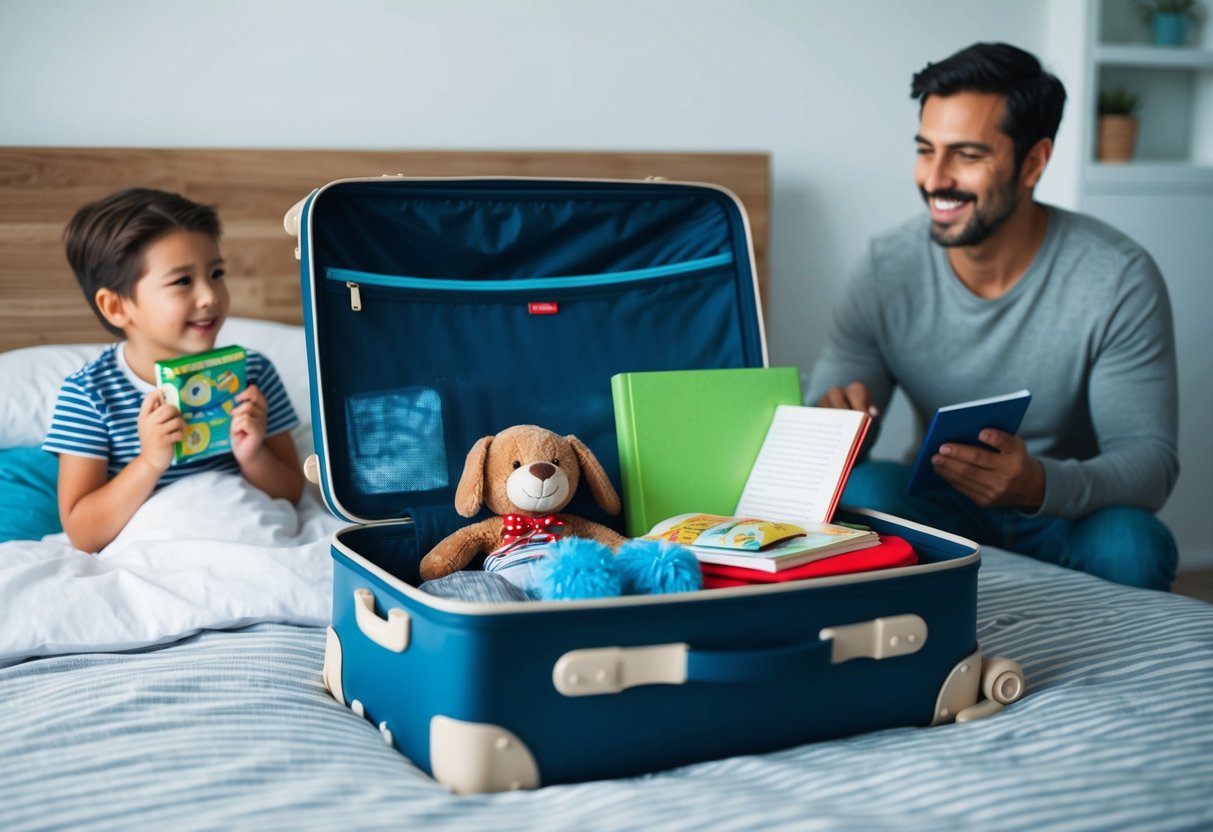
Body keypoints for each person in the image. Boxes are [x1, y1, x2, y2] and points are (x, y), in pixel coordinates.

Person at [807, 42, 1179, 590]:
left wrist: (1037, 485)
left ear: (1033, 163)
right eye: (925, 149)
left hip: (1066, 516)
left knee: (1134, 543)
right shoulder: (886, 267)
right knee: (863, 497)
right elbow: (825, 435)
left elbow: (1150, 464)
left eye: (968, 155)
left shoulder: (1118, 276)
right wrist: (835, 426)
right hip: (938, 507)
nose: (935, 179)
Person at [43, 188, 306, 553]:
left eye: (216, 273)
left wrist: (253, 455)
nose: (210, 296)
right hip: (156, 549)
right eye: (182, 281)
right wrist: (150, 461)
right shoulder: (89, 393)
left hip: (246, 539)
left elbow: (290, 493)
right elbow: (83, 533)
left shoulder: (253, 372)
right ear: (116, 306)